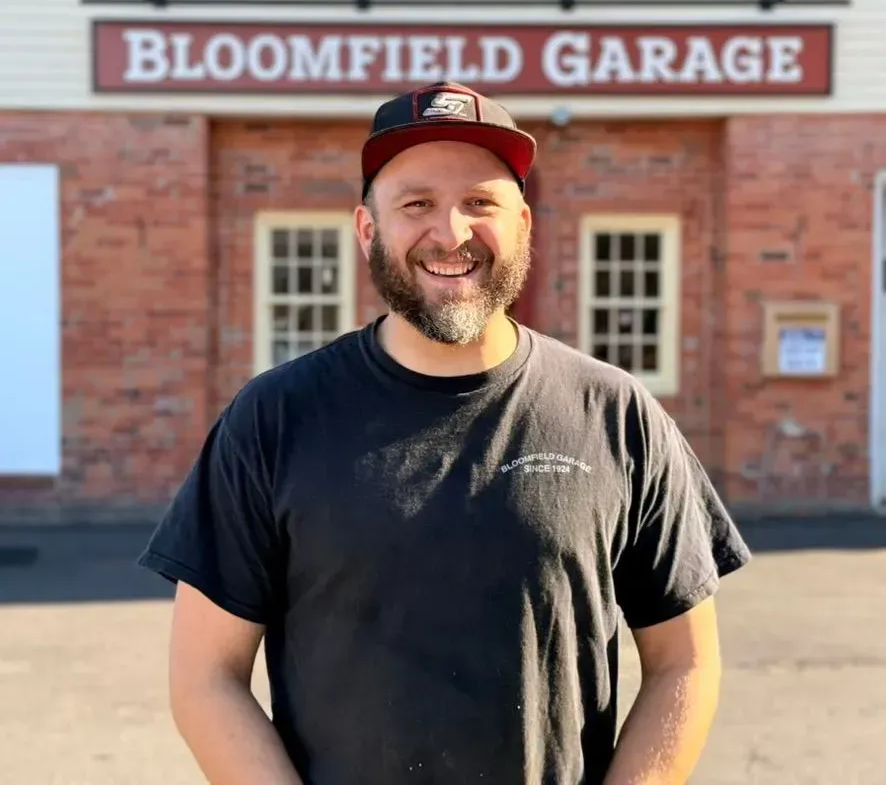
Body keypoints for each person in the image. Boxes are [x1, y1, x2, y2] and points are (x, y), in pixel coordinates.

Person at [138, 81, 752, 785]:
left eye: (480, 203)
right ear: (368, 229)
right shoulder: (274, 419)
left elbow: (686, 663)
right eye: (417, 203)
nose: (452, 232)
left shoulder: (616, 414)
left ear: (524, 224)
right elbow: (205, 678)